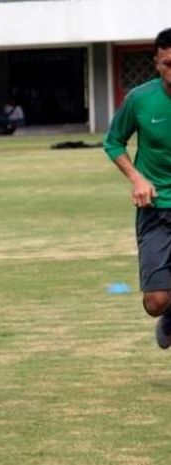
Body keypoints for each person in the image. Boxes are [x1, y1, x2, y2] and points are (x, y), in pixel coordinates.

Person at [104, 27, 171, 351]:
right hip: (156, 211)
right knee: (156, 302)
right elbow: (113, 141)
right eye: (168, 63)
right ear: (157, 62)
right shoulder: (140, 99)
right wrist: (136, 178)